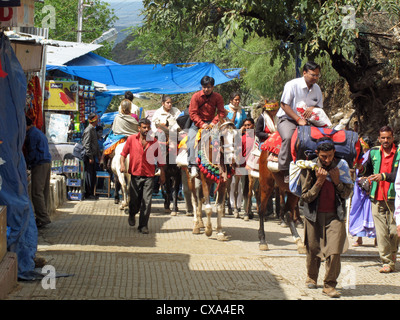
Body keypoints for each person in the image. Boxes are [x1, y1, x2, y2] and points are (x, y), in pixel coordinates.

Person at [300, 137, 353, 298]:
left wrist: (337, 182)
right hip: (313, 215)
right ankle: (312, 276)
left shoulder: (341, 167)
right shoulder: (309, 167)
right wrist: (319, 182)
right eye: (323, 156)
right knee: (313, 249)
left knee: (335, 251)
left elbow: (347, 193)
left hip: (335, 215)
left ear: (334, 153)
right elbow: (305, 197)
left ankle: (329, 285)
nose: (327, 160)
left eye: (330, 156)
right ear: (317, 154)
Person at [357, 126, 400, 273]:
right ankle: (386, 261)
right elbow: (366, 170)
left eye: (388, 137)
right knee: (381, 233)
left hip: (395, 199)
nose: (386, 140)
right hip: (376, 197)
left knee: (394, 231)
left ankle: (393, 254)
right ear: (379, 138)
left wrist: (384, 176)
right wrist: (361, 171)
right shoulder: (374, 152)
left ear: (392, 137)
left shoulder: (399, 153)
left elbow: (397, 176)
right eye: (383, 138)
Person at [278, 61, 324, 183]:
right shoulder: (292, 85)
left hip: (309, 121)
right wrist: (298, 119)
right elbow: (284, 105)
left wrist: (313, 109)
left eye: (317, 75)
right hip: (288, 119)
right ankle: (285, 169)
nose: (315, 78)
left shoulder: (317, 89)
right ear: (304, 73)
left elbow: (320, 107)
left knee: (323, 138)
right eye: (313, 75)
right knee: (288, 137)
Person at [120, 118, 165, 234]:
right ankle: (131, 213)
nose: (146, 129)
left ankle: (143, 225)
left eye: (148, 127)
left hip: (149, 176)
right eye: (144, 127)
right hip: (135, 175)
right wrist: (122, 165)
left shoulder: (154, 142)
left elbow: (160, 160)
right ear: (139, 128)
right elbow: (123, 154)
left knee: (147, 201)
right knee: (134, 200)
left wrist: (162, 175)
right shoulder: (131, 140)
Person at [187, 76, 225, 178]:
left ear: (213, 87)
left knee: (225, 139)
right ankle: (192, 165)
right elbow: (192, 113)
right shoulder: (195, 97)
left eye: (208, 87)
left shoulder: (218, 97)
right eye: (204, 87)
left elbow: (221, 112)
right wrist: (202, 124)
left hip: (213, 123)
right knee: (190, 139)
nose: (206, 89)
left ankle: (225, 164)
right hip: (197, 124)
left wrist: (213, 122)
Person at [25, 116, 52, 228]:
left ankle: (43, 218)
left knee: (36, 192)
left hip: (40, 164)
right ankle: (44, 216)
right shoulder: (37, 132)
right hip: (46, 162)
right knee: (43, 191)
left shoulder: (32, 135)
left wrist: (25, 164)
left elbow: (32, 153)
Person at [82, 112, 101, 200]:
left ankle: (91, 193)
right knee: (89, 175)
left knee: (93, 175)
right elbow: (86, 144)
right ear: (93, 120)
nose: (98, 121)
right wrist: (90, 157)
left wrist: (98, 155)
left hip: (93, 156)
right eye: (96, 119)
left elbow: (95, 144)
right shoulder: (88, 130)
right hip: (89, 157)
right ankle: (88, 194)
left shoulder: (93, 129)